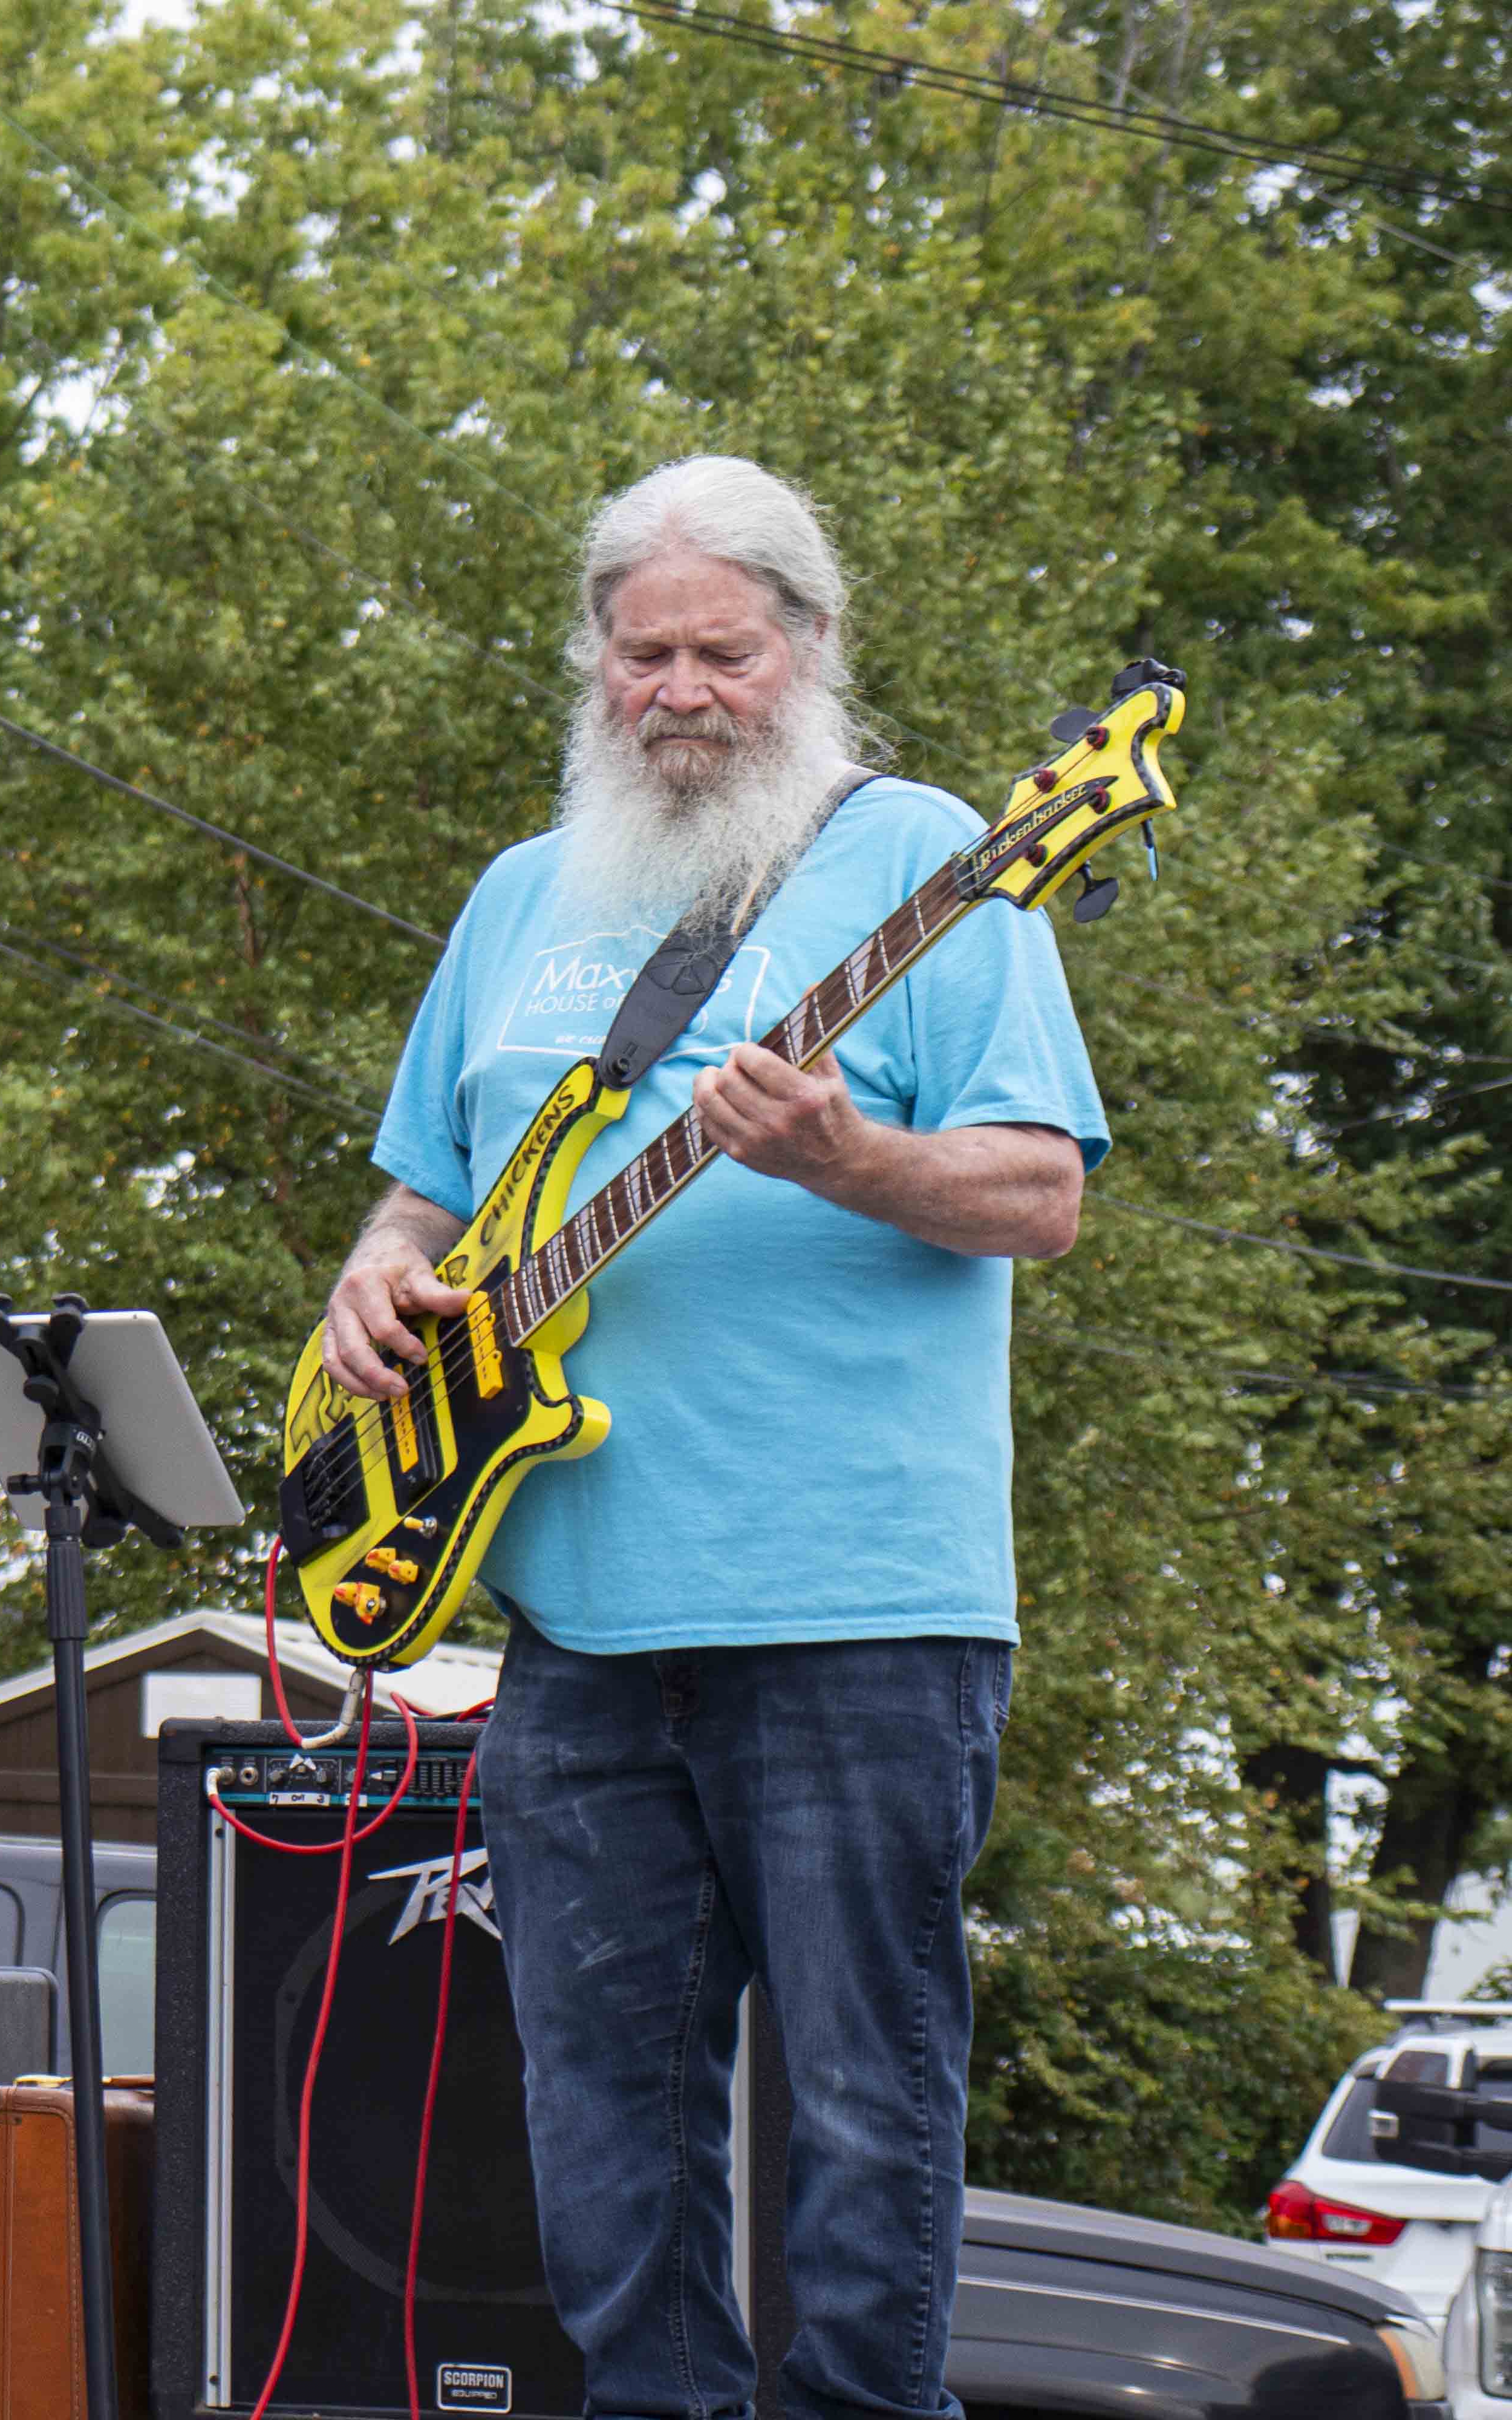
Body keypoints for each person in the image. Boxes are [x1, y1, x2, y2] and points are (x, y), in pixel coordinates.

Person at [317, 455, 1100, 2419]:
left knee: (865, 2100)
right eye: (643, 650)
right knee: (598, 2130)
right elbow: (423, 1194)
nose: (681, 688)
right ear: (593, 663)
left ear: (810, 650)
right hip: (577, 1615)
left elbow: (1037, 1197)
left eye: (723, 652)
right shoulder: (522, 896)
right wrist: (372, 1287)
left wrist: (848, 1154)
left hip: (859, 1609)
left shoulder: (936, 864)